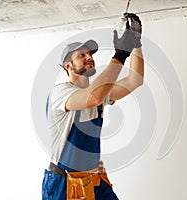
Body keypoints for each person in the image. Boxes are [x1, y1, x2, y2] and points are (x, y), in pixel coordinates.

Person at [42, 13, 144, 200]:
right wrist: (120, 54)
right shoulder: (60, 93)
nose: (89, 57)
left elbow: (135, 80)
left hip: (93, 178)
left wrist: (136, 44)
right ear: (68, 66)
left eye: (90, 54)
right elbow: (94, 97)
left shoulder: (100, 92)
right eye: (82, 55)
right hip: (65, 183)